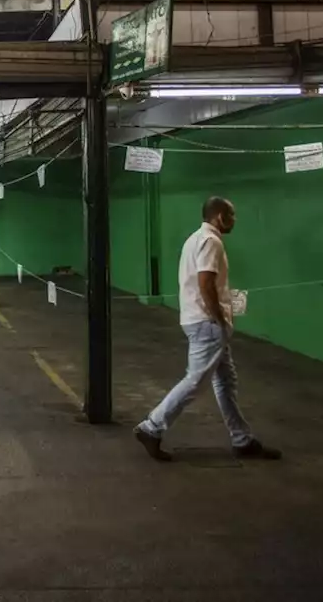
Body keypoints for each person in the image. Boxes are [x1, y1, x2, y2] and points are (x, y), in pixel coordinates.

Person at [133, 197, 280, 463]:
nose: (234, 220)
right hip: (207, 323)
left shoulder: (195, 239)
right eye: (231, 215)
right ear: (219, 217)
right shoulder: (211, 242)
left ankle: (241, 439)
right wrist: (219, 318)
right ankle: (151, 427)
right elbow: (206, 283)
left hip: (198, 321)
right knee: (196, 380)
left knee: (225, 381)